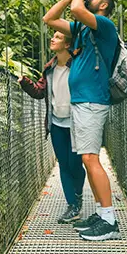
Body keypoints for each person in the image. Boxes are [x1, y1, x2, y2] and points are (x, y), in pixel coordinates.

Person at [42, 0, 120, 241]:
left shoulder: (105, 27)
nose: (87, 0)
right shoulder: (83, 30)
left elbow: (77, 9)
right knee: (88, 160)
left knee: (90, 159)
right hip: (80, 103)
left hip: (91, 102)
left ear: (103, 5)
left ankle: (109, 220)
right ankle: (100, 213)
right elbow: (50, 18)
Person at [18, 31, 86, 223]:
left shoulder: (78, 65)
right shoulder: (49, 69)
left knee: (76, 165)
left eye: (57, 37)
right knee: (64, 165)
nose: (52, 39)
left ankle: (78, 194)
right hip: (56, 123)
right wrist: (25, 83)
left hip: (75, 123)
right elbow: (40, 92)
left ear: (67, 44)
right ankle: (73, 206)